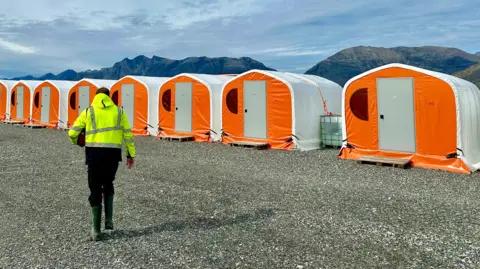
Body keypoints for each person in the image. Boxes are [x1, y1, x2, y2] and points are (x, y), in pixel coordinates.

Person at [68, 87, 136, 241]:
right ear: (109, 97)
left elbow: (72, 133)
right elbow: (128, 135)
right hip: (113, 155)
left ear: (96, 97)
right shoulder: (119, 112)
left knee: (95, 188)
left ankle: (96, 230)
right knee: (108, 182)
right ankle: (109, 220)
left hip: (94, 155)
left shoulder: (88, 112)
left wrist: (78, 142)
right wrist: (130, 154)